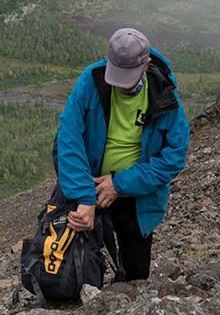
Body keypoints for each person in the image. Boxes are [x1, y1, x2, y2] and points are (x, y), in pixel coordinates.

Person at [55, 27, 190, 281]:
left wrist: (119, 183)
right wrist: (84, 196)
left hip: (136, 196)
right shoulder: (91, 79)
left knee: (135, 275)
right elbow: (68, 136)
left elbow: (175, 156)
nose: (119, 85)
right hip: (90, 185)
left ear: (146, 65)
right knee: (74, 269)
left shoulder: (163, 93)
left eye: (126, 79)